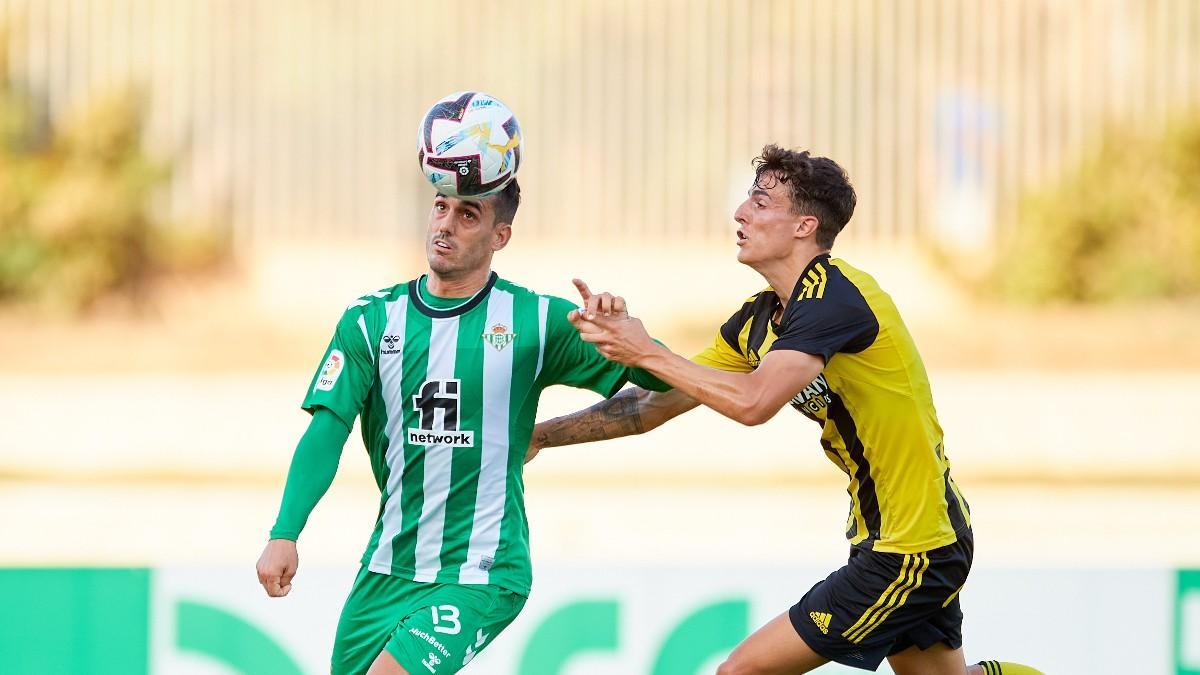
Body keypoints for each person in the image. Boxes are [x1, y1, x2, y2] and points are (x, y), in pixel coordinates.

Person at [528, 146, 1042, 675]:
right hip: (906, 534)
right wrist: (543, 435)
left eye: (760, 201)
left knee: (741, 671)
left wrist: (646, 350)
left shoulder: (836, 297)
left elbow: (753, 403)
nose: (740, 213)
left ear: (804, 225)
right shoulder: (759, 320)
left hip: (912, 547)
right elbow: (658, 401)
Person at [255, 178, 668, 675]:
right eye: (440, 207)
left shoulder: (536, 321)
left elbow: (659, 379)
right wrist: (286, 531)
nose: (445, 225)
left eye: (468, 215)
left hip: (483, 570)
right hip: (387, 568)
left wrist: (625, 337)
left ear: (501, 236)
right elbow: (327, 430)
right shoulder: (370, 320)